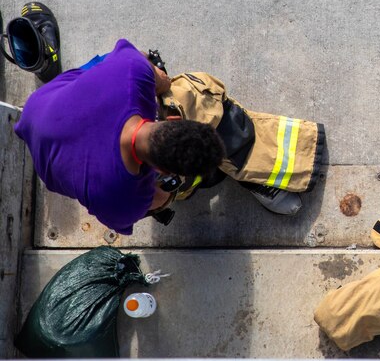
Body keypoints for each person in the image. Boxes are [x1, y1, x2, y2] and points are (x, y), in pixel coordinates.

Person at [13, 38, 224, 234]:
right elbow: (136, 212)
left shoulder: (132, 70)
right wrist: (167, 191)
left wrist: (160, 80)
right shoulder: (123, 201)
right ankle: (184, 190)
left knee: (118, 61)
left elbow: (145, 62)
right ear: (162, 170)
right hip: (46, 164)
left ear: (173, 121)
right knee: (162, 196)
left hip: (38, 105)